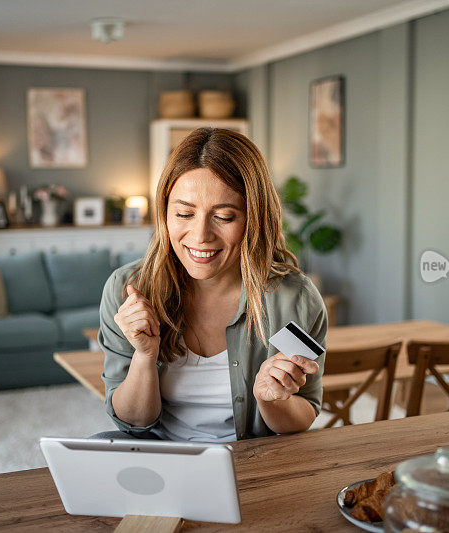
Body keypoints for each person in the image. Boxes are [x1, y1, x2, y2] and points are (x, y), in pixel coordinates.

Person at [93, 127, 327, 442]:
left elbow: (305, 413)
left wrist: (272, 399)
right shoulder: (127, 288)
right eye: (184, 213)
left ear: (253, 219)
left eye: (225, 217)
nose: (201, 235)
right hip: (165, 461)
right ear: (164, 214)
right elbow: (133, 423)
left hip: (250, 464)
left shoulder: (294, 297)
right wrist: (144, 356)